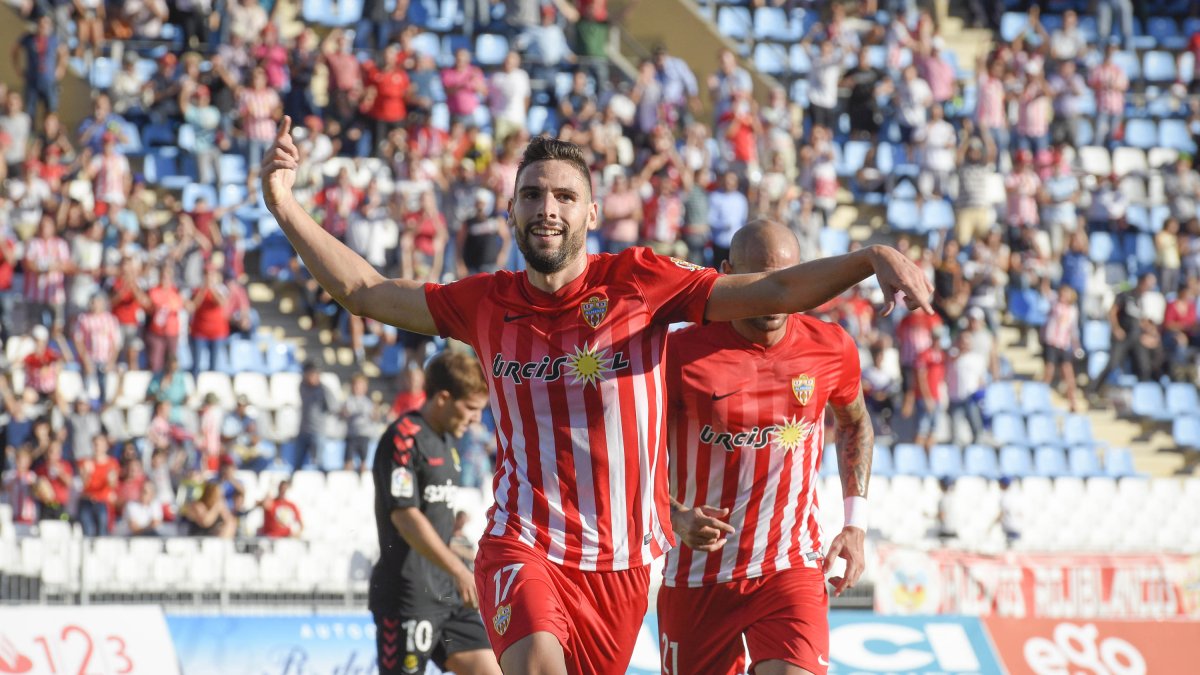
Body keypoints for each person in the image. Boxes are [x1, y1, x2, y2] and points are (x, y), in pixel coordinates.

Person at [261, 121, 931, 673]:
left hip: (622, 564)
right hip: (524, 541)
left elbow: (776, 292)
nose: (545, 207)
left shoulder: (642, 284)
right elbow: (366, 292)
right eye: (531, 194)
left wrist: (867, 257)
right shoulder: (486, 302)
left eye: (561, 195)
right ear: (513, 209)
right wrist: (286, 205)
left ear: (588, 211)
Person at [659, 221, 874, 675]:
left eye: (786, 279)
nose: (776, 295)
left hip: (789, 565)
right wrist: (673, 514)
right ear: (726, 274)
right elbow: (634, 454)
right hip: (696, 575)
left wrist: (856, 524)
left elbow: (855, 424)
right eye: (760, 280)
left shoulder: (830, 347)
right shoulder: (677, 355)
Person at [369, 351, 499, 675]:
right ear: (443, 398)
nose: (474, 420)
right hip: (408, 596)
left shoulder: (448, 444)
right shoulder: (403, 438)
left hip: (448, 595)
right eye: (470, 409)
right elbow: (405, 517)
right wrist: (458, 568)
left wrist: (464, 555)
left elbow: (435, 523)